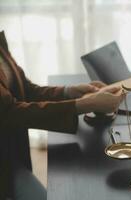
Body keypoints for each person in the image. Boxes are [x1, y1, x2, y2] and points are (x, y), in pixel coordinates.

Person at [0, 30, 123, 200]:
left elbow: (25, 91)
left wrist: (70, 92)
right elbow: (9, 112)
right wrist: (85, 104)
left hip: (12, 155)